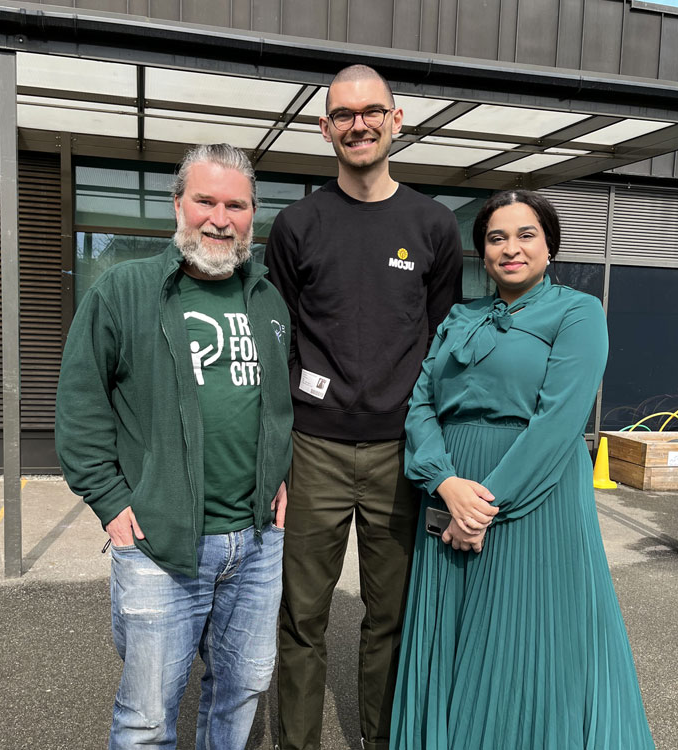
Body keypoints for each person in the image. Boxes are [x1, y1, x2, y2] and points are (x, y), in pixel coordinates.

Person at [390, 189, 655, 749]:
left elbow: (559, 420)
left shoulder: (579, 312)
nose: (511, 248)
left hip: (533, 493)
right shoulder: (460, 315)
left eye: (525, 234)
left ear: (549, 245)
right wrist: (444, 483)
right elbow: (420, 404)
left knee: (529, 637)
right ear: (482, 252)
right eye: (496, 238)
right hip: (451, 489)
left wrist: (482, 505)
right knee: (452, 633)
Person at [55, 143, 294, 750]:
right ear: (178, 206)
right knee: (147, 718)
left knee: (240, 691)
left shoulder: (267, 299)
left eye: (235, 205)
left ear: (252, 213)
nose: (220, 218)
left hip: (257, 543)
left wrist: (279, 476)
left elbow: (274, 405)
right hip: (160, 540)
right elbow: (81, 408)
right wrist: (111, 503)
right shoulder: (123, 291)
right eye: (205, 201)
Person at [265, 64, 463, 750]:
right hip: (313, 448)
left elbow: (439, 343)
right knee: (301, 618)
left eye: (371, 111)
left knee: (392, 617)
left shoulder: (434, 226)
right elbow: (279, 342)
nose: (359, 124)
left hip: (398, 450)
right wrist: (280, 456)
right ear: (325, 129)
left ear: (396, 120)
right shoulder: (296, 225)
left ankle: (380, 739)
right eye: (344, 115)